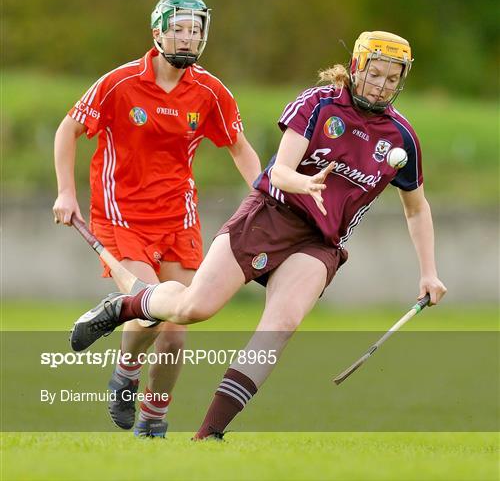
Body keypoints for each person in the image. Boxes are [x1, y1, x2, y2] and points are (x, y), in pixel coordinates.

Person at [70, 30, 447, 439]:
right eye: (375, 75)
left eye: (392, 80)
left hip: (320, 242)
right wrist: (302, 184)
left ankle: (208, 435)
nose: (382, 86)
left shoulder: (401, 137)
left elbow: (417, 207)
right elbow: (280, 170)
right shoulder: (318, 104)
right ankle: (124, 306)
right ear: (357, 68)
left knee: (280, 325)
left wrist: (429, 272)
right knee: (194, 308)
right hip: (271, 213)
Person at [53, 0, 261, 438]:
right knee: (149, 311)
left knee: (178, 325)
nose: (188, 38)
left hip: (177, 219)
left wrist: (267, 197)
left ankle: (153, 420)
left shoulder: (209, 91)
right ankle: (126, 372)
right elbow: (68, 129)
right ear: (158, 32)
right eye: (180, 28)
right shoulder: (119, 83)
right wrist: (66, 192)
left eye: (196, 30)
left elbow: (239, 148)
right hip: (119, 215)